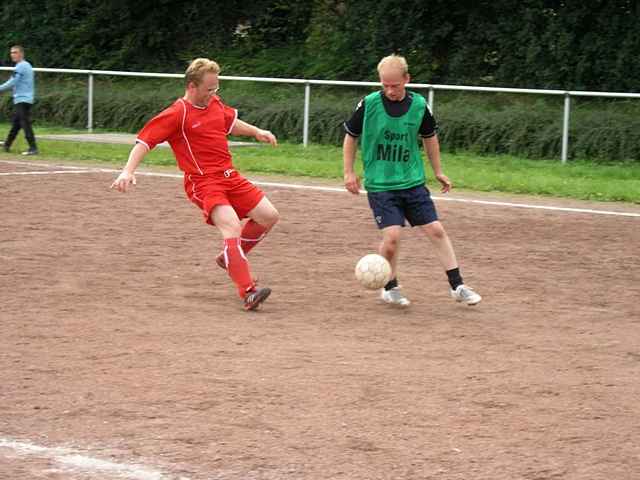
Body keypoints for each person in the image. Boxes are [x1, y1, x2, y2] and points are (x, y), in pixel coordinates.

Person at [111, 58, 279, 311]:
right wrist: (127, 171)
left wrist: (257, 132)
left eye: (216, 88)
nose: (213, 94)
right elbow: (145, 141)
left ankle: (229, 258)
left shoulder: (214, 103)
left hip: (229, 176)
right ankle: (248, 291)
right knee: (231, 226)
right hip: (203, 183)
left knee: (268, 216)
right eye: (209, 89)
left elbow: (230, 123)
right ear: (192, 86)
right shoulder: (177, 113)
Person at [343, 54, 481, 307]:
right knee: (392, 237)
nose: (390, 90)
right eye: (385, 85)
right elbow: (350, 136)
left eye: (395, 85)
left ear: (407, 79)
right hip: (381, 185)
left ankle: (457, 285)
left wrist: (438, 170)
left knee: (436, 230)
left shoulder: (419, 105)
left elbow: (430, 138)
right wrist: (349, 172)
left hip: (412, 182)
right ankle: (390, 286)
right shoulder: (369, 104)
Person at [0, 45, 38, 155]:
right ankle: (7, 145)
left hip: (23, 99)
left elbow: (12, 82)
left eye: (15, 52)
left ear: (21, 54)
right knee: (16, 124)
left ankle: (33, 148)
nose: (13, 55)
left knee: (25, 123)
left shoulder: (21, 66)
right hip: (22, 99)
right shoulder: (24, 65)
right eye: (12, 53)